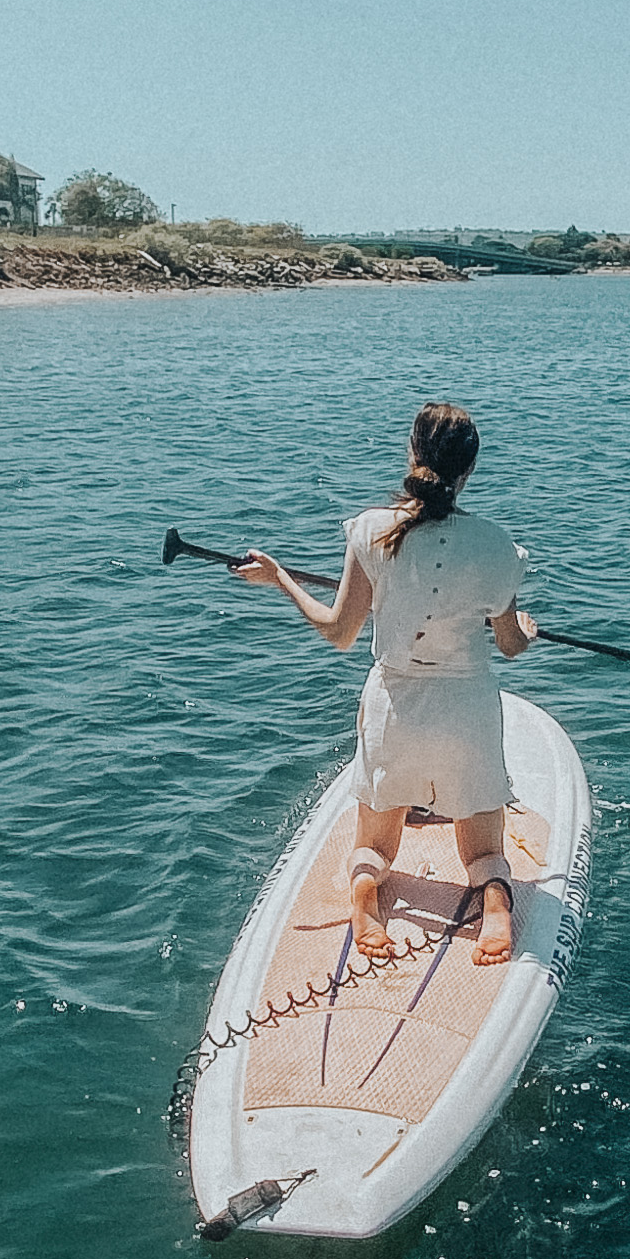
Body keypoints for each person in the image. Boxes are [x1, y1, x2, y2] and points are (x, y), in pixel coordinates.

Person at [239, 402, 535, 966]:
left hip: (393, 709)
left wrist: (279, 578)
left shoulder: (371, 531)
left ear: (413, 453)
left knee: (374, 843)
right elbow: (510, 645)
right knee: (486, 848)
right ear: (469, 470)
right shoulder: (498, 546)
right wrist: (527, 627)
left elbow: (339, 631)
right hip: (466, 712)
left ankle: (366, 890)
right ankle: (494, 900)